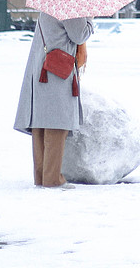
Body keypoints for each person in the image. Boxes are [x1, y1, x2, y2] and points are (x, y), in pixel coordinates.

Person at [13, 12, 93, 187]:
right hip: (57, 73)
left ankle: (41, 177)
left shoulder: (50, 5)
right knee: (57, 124)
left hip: (42, 67)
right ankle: (53, 179)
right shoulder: (71, 6)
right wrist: (89, 19)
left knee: (41, 124)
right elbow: (79, 34)